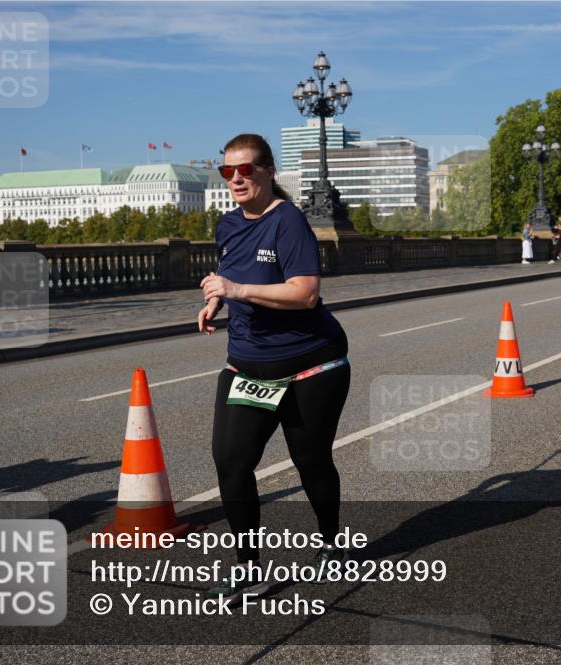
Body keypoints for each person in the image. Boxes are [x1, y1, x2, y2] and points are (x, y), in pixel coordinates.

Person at [198, 133, 351, 601]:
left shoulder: (288, 221)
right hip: (247, 366)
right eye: (228, 171)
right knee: (230, 461)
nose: (237, 178)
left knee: (310, 460)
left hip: (310, 364)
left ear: (268, 172)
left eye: (246, 170)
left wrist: (237, 289)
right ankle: (247, 568)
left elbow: (304, 292)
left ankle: (330, 544)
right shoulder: (226, 225)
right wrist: (215, 302)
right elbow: (233, 279)